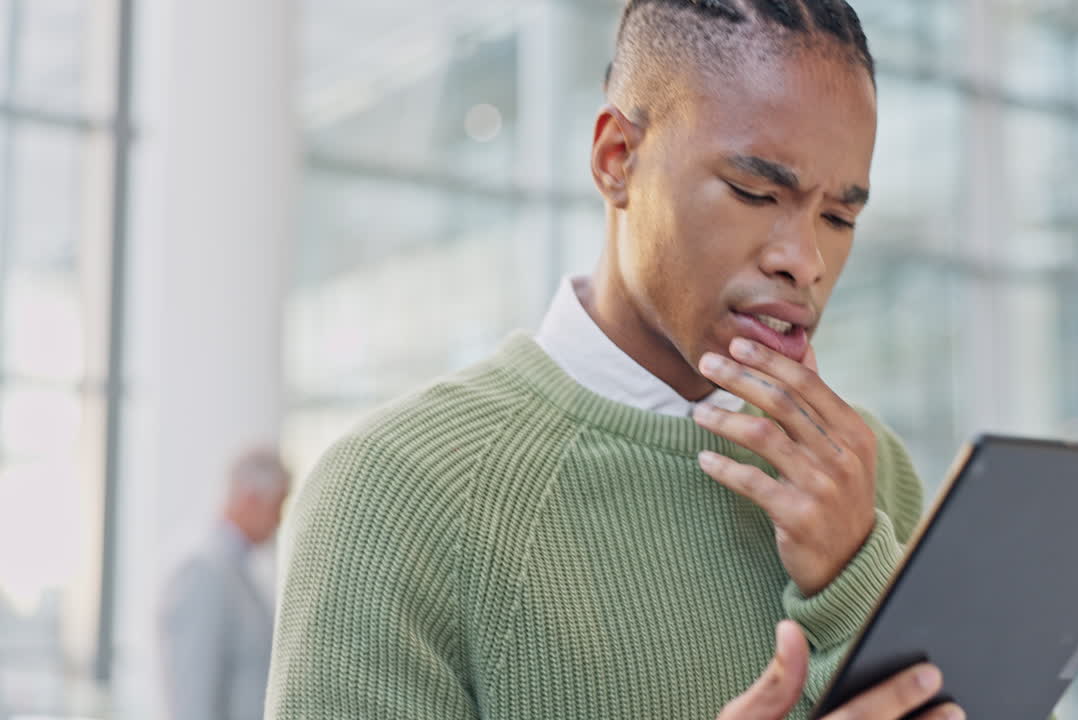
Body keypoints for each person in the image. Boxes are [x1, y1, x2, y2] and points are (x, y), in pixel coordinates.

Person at [266, 1, 967, 718]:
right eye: (755, 193)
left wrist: (854, 573)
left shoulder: (865, 468)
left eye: (839, 218)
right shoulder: (398, 491)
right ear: (617, 161)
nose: (805, 261)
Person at [159, 447, 290, 720]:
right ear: (251, 499)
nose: (279, 521)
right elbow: (192, 697)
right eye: (278, 506)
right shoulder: (202, 571)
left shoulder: (240, 572)